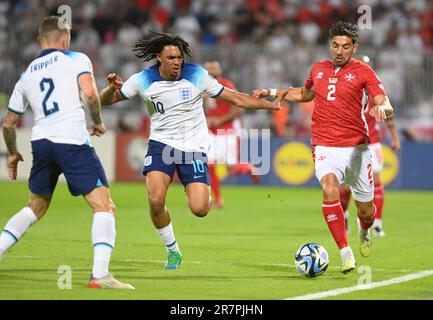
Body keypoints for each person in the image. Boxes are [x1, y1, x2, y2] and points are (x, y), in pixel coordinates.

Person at [99, 31, 280, 270]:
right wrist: (110, 88)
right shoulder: (142, 79)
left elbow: (235, 98)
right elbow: (104, 101)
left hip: (193, 149)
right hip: (161, 145)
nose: (177, 62)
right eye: (171, 57)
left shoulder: (196, 75)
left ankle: (201, 192)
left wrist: (268, 105)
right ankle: (173, 251)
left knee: (200, 209)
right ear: (159, 58)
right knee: (155, 200)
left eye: (179, 57)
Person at [0, 16, 134, 289]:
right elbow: (89, 93)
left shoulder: (27, 74)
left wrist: (13, 153)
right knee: (104, 206)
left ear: (40, 40)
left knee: (34, 208)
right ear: (65, 38)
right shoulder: (76, 58)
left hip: (41, 143)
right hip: (72, 141)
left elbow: (8, 123)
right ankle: (100, 275)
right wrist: (96, 120)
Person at [254, 21, 393, 274]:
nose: (339, 51)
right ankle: (345, 252)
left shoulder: (364, 72)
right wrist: (274, 92)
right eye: (335, 45)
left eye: (345, 47)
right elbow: (306, 94)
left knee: (366, 212)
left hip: (357, 149)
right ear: (330, 45)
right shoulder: (318, 68)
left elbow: (384, 101)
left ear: (354, 47)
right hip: (324, 145)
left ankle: (364, 229)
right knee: (330, 190)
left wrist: (381, 108)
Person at [340, 55, 401, 237]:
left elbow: (389, 114)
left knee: (376, 180)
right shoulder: (347, 92)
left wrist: (395, 137)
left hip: (372, 143)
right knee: (347, 185)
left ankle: (377, 224)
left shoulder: (376, 92)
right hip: (350, 144)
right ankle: (343, 214)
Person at [204, 60, 260, 209]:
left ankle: (248, 168)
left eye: (213, 70)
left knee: (231, 167)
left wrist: (220, 119)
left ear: (219, 71)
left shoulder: (227, 86)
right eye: (208, 70)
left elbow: (239, 109)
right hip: (212, 132)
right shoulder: (204, 87)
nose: (211, 72)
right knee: (209, 164)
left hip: (227, 131)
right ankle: (218, 199)